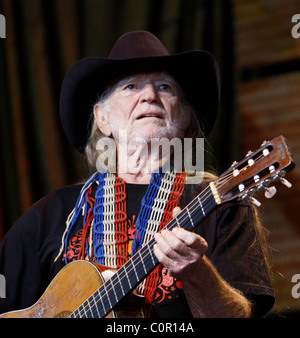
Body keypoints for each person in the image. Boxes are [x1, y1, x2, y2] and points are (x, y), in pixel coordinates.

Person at [0, 30, 274, 318]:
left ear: (184, 117)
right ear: (102, 118)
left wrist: (197, 274)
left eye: (165, 87)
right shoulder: (51, 216)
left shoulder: (221, 206)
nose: (150, 96)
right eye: (131, 86)